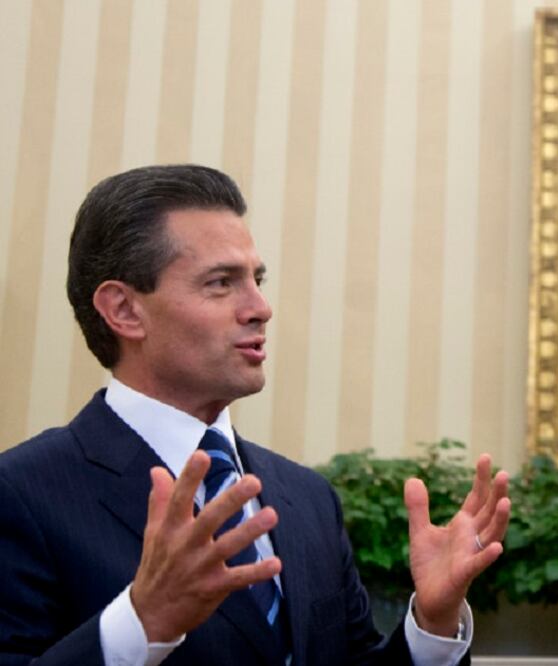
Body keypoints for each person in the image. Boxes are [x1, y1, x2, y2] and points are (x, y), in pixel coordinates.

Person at [0, 164, 510, 665]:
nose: (260, 307)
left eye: (257, 279)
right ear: (125, 310)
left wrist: (432, 628)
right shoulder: (22, 493)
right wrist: (139, 625)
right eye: (221, 283)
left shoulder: (308, 499)